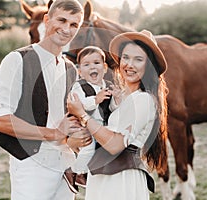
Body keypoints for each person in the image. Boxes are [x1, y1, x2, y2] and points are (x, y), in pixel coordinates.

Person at [0, 1, 92, 200]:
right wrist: (53, 133)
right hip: (31, 164)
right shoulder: (17, 60)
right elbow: (0, 120)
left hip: (65, 163)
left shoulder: (70, 69)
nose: (66, 29)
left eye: (74, 25)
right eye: (61, 20)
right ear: (47, 19)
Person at [67, 30, 168, 200]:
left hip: (121, 179)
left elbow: (114, 145)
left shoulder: (143, 100)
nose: (129, 64)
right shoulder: (121, 97)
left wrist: (83, 115)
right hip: (102, 174)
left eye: (138, 59)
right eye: (126, 57)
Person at [63, 46, 121, 193]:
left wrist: (117, 100)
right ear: (80, 71)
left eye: (96, 63)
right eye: (86, 65)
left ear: (105, 67)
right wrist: (95, 99)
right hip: (84, 126)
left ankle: (97, 174)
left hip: (101, 126)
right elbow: (78, 106)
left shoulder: (108, 86)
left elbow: (111, 109)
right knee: (88, 147)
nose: (92, 67)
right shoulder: (79, 87)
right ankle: (76, 172)